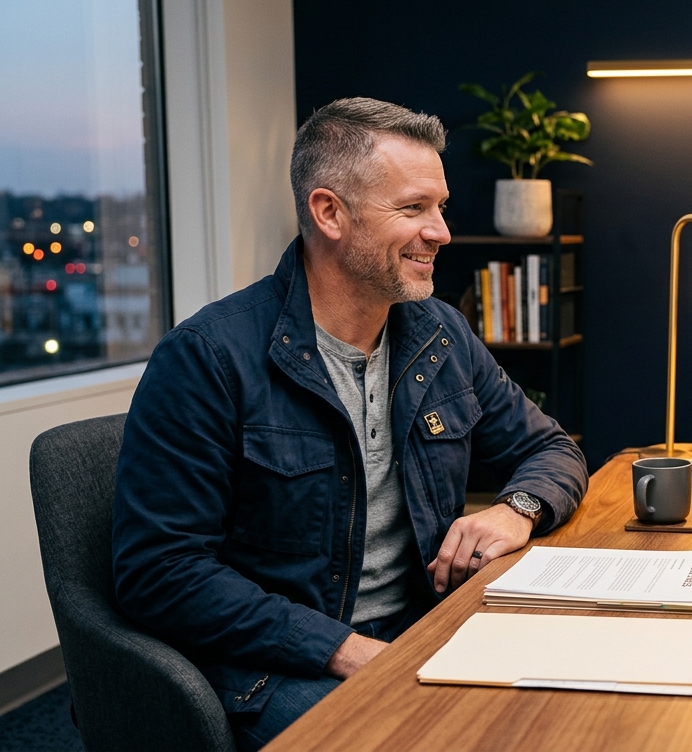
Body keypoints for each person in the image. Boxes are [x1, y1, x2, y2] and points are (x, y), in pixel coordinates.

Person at [112, 98, 588, 750]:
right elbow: (160, 572)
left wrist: (519, 507)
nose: (442, 231)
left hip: (421, 627)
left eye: (441, 207)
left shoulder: (440, 334)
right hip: (280, 665)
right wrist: (343, 648)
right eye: (414, 208)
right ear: (329, 212)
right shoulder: (208, 358)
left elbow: (551, 448)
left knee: (578, 707)